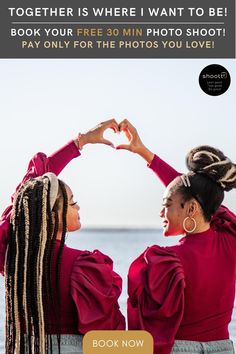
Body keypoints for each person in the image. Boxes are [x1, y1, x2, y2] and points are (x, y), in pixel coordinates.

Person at [0, 119, 125, 354]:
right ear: (52, 214)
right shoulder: (85, 266)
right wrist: (80, 142)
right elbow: (110, 337)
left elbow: (24, 198)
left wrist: (80, 142)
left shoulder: (16, 260)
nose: (78, 208)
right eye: (73, 202)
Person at [116, 119, 236, 354]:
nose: (162, 212)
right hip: (224, 349)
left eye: (167, 204)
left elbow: (146, 331)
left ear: (191, 209)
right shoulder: (230, 241)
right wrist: (145, 154)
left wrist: (146, 155)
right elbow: (202, 196)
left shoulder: (164, 262)